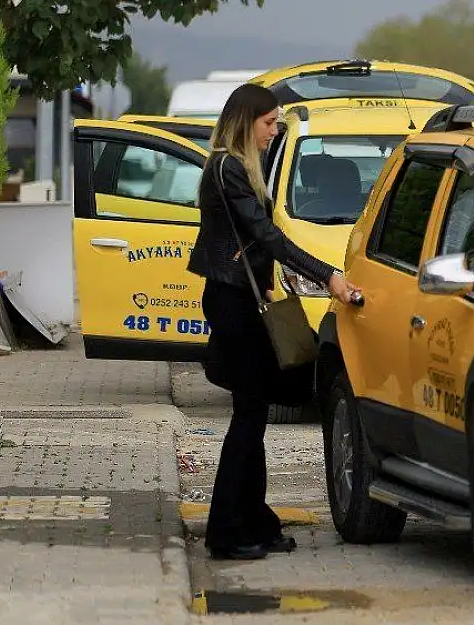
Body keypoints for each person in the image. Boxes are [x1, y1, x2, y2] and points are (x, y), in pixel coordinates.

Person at [187, 84, 360, 561]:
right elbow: (266, 235)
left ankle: (253, 521)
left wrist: (263, 279)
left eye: (277, 121)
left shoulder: (239, 169)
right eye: (269, 123)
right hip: (232, 305)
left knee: (255, 412)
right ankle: (226, 530)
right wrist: (329, 276)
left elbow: (250, 242)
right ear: (246, 122)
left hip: (243, 298)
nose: (275, 130)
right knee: (248, 416)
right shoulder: (226, 168)